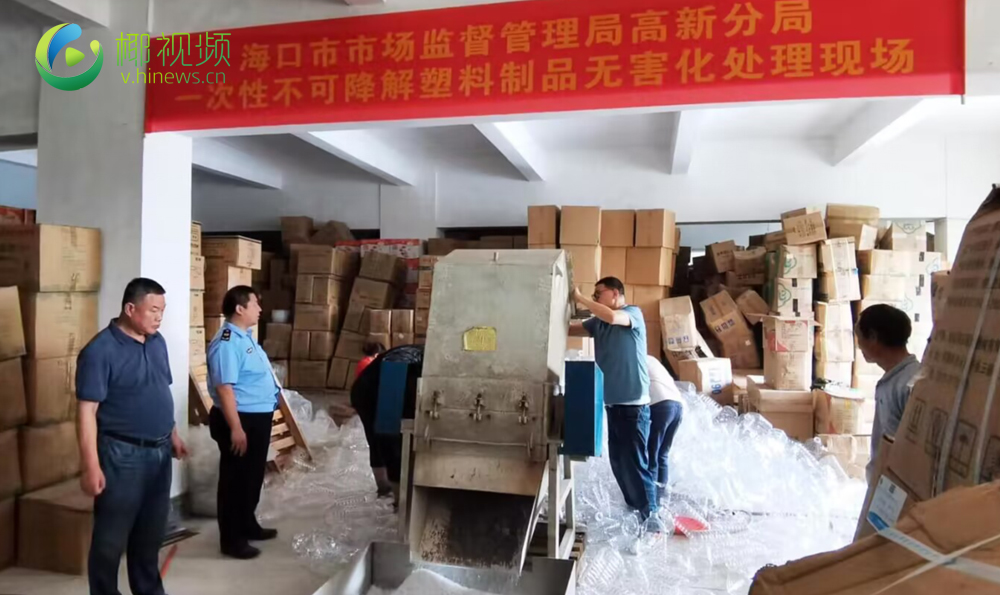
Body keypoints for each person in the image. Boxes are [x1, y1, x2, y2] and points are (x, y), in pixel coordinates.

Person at [76, 277, 188, 595]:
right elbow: (86, 412)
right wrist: (91, 466)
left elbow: (159, 390)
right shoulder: (100, 351)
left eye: (162, 310)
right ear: (130, 308)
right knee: (110, 541)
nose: (159, 317)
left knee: (149, 536)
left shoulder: (157, 342)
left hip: (160, 453)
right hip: (121, 456)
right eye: (153, 310)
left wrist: (172, 434)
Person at [571, 277, 662, 532]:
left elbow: (612, 317)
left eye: (598, 294)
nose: (595, 298)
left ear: (614, 293)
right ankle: (636, 513)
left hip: (634, 405)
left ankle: (652, 520)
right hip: (613, 404)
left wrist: (580, 298)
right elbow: (570, 329)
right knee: (620, 464)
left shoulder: (632, 314)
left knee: (635, 464)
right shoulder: (597, 323)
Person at [207, 286, 280, 560]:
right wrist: (236, 428)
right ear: (240, 308)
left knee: (252, 476)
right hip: (240, 419)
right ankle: (232, 539)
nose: (260, 309)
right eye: (255, 304)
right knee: (235, 480)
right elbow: (225, 388)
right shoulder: (227, 342)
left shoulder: (244, 337)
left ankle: (247, 523)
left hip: (256, 417)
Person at [855, 304, 922, 482]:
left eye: (859, 337)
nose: (858, 345)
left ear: (873, 337)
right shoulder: (893, 379)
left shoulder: (910, 384)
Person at [351, 344, 425, 500]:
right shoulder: (410, 364)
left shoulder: (420, 357)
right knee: (388, 439)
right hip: (372, 390)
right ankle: (395, 496)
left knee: (380, 440)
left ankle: (387, 489)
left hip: (364, 388)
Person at [645, 355, 684, 504]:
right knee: (662, 454)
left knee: (652, 455)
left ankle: (651, 502)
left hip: (660, 405)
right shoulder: (652, 359)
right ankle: (661, 499)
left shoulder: (635, 359)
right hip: (678, 406)